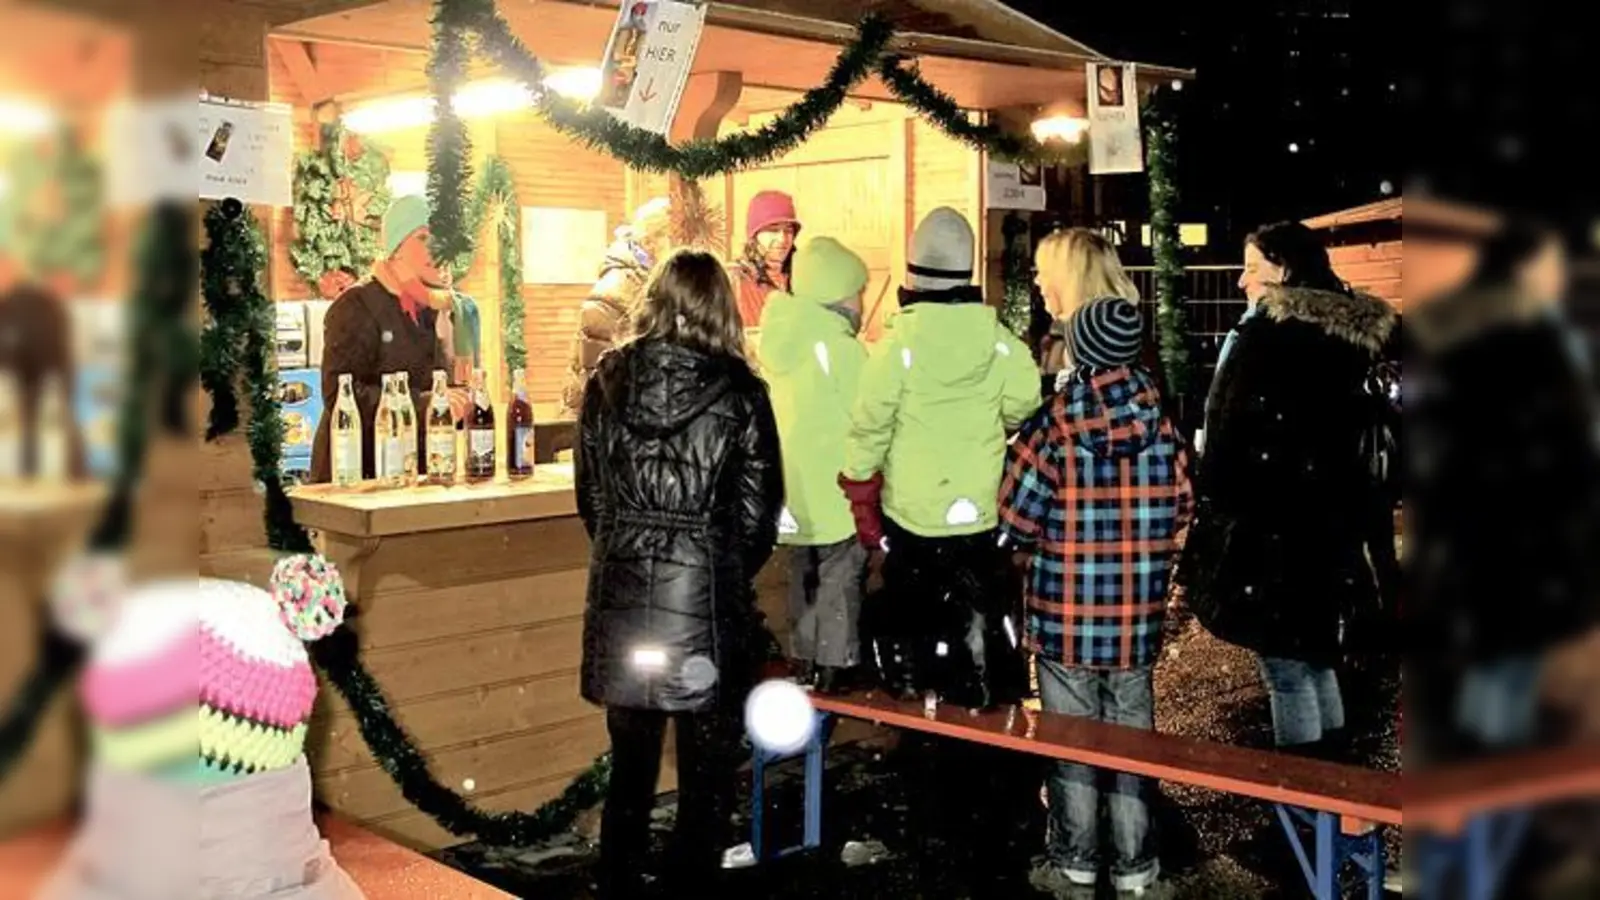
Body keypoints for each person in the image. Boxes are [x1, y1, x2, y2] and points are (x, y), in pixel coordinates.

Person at [576, 249, 783, 899]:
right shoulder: (743, 393)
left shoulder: (607, 380)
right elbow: (758, 516)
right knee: (704, 787)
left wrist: (628, 550)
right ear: (721, 307)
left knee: (629, 779)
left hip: (623, 598)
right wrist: (717, 567)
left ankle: (617, 885)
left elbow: (592, 499)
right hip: (705, 613)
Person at [1178, 222, 1400, 754]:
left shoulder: (1267, 339)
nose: (1240, 282)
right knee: (1316, 659)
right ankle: (1337, 807)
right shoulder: (1351, 338)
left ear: (1282, 271)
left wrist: (1210, 509)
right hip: (1333, 530)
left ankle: (1303, 796)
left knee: (1286, 669)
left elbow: (1230, 439)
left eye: (1252, 269)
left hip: (1272, 533)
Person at [1001, 297, 1192, 900]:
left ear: (1081, 349)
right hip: (1135, 621)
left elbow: (1015, 518)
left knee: (1071, 740)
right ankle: (1137, 868)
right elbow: (1186, 503)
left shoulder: (1053, 424)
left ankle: (1077, 863)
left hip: (1064, 619)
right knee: (1133, 742)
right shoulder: (1161, 424)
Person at [1406, 220, 1600, 764]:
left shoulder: (1484, 335)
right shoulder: (1520, 343)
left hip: (1496, 537)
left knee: (1498, 662)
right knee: (1503, 665)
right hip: (1513, 537)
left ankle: (1479, 776)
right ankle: (1483, 788)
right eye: (1548, 265)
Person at [839, 207, 1041, 709]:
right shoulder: (999, 344)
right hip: (979, 516)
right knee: (980, 620)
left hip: (911, 518)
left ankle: (923, 711)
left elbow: (868, 429)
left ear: (913, 273)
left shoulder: (896, 347)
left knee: (918, 625)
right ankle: (984, 703)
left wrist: (862, 496)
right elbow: (1024, 404)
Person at [757, 236, 872, 694]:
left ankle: (805, 662)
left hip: (792, 489)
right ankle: (835, 666)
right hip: (835, 489)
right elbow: (868, 415)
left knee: (802, 577)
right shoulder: (841, 349)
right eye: (859, 291)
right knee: (840, 578)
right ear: (840, 296)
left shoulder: (778, 342)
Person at [309, 195, 468, 483]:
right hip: (356, 476)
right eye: (423, 237)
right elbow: (338, 393)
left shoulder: (440, 309)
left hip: (415, 474)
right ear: (396, 249)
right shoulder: (356, 305)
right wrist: (421, 405)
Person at [562, 198, 671, 417]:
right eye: (676, 240)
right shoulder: (616, 294)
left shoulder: (656, 287)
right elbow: (604, 384)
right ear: (650, 242)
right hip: (613, 432)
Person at [1033, 227, 1146, 398]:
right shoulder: (1126, 331)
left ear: (1068, 279)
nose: (1037, 280)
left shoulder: (1092, 345)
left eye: (1044, 273)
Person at [734, 191, 800, 328]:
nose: (782, 239)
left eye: (788, 230)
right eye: (773, 230)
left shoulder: (802, 278)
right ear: (755, 235)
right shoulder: (738, 282)